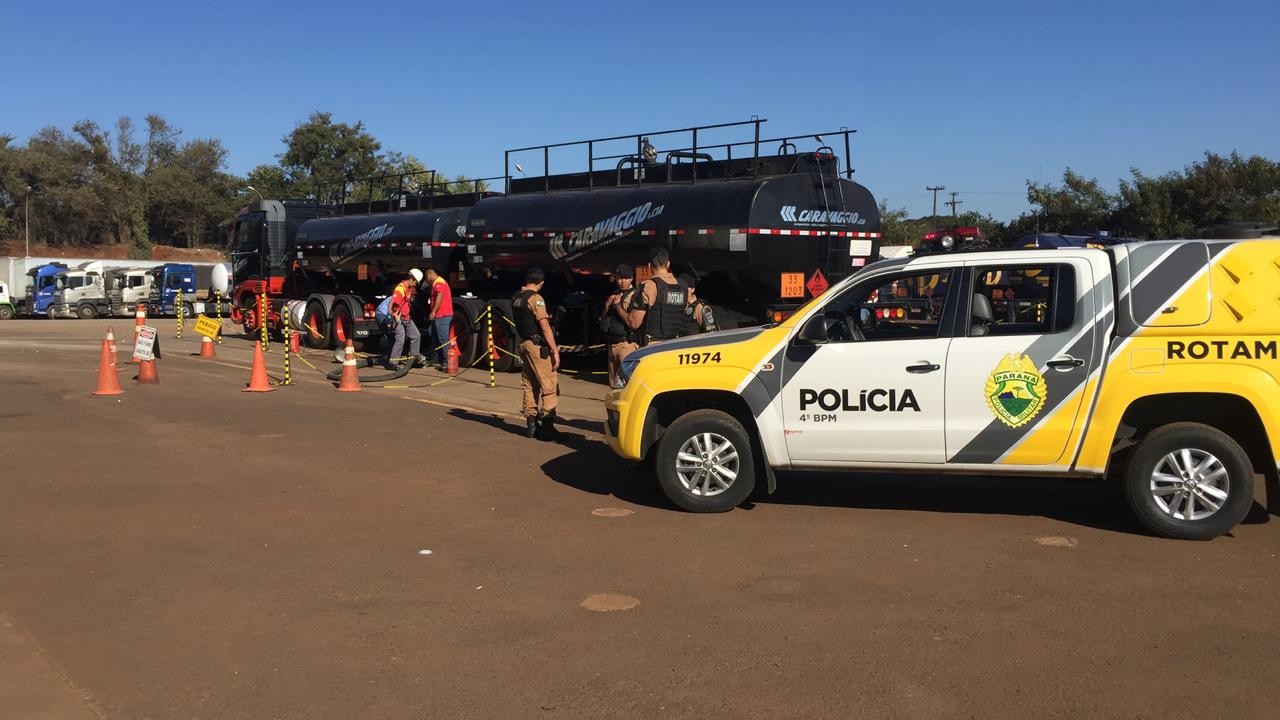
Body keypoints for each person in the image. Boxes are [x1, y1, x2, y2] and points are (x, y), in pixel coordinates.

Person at [513, 267, 561, 439]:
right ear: (541, 282)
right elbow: (544, 326)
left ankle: (531, 425)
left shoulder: (516, 296)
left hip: (524, 344)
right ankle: (548, 427)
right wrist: (555, 350)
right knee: (549, 385)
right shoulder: (536, 299)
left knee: (529, 385)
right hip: (536, 347)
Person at [627, 246, 689, 345]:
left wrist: (618, 308)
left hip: (653, 348)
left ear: (648, 265)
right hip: (677, 346)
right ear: (668, 264)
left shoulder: (648, 286)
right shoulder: (683, 286)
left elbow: (634, 323)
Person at [600, 264, 638, 387]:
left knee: (628, 383)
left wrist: (617, 306)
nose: (622, 281)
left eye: (625, 278)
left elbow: (632, 322)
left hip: (626, 344)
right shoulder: (614, 295)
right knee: (614, 385)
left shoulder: (636, 296)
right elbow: (604, 320)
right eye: (619, 278)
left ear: (631, 278)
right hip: (612, 345)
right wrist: (607, 305)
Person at [386, 268, 425, 370]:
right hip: (399, 318)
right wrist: (393, 315)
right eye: (416, 281)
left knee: (416, 335)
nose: (416, 284)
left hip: (406, 318)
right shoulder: (400, 288)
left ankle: (413, 359)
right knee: (400, 339)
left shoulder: (408, 289)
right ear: (412, 279)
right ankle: (392, 363)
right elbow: (391, 303)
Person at [424, 267, 454, 371]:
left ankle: (447, 362)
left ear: (430, 275)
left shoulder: (439, 282)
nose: (427, 280)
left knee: (443, 339)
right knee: (432, 333)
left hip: (442, 315)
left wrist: (433, 311)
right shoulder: (437, 283)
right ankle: (442, 360)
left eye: (426, 277)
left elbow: (439, 297)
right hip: (439, 316)